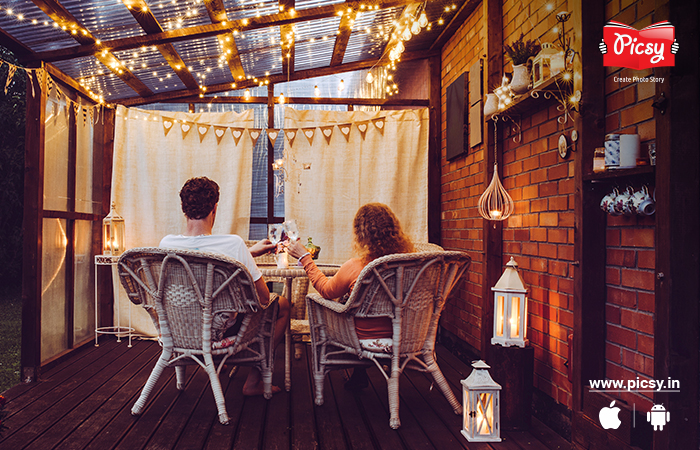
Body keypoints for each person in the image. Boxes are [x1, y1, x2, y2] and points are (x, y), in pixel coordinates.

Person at [159, 176, 290, 396]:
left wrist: (249, 254)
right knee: (283, 305)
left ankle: (217, 365)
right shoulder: (232, 245)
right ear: (215, 208)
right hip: (218, 333)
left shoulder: (167, 244)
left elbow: (199, 258)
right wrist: (244, 256)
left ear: (184, 209)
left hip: (179, 329)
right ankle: (253, 381)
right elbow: (265, 298)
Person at [286, 202, 414, 389]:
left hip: (364, 338)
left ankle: (354, 368)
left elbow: (326, 290)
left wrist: (305, 258)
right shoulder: (412, 264)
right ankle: (359, 373)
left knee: (346, 304)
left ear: (360, 235)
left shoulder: (357, 266)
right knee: (355, 301)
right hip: (406, 335)